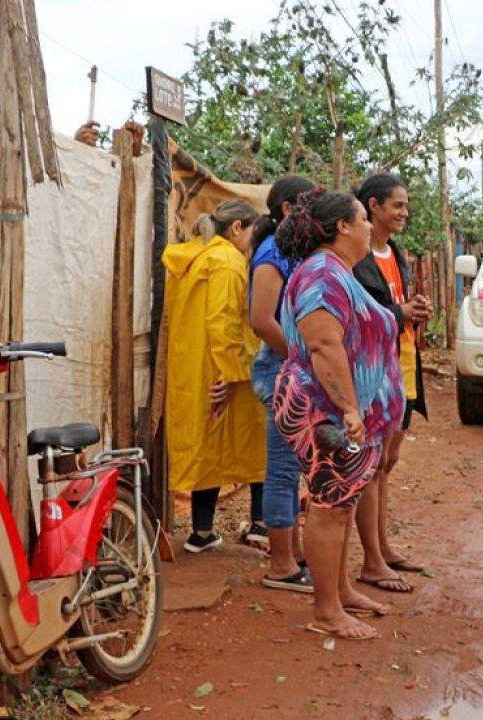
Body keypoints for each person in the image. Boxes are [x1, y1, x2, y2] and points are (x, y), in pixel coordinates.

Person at [273, 188, 405, 640]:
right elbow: (324, 344)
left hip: (344, 410)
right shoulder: (322, 274)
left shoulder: (338, 272)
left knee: (342, 502)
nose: (371, 226)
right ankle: (326, 610)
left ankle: (342, 588)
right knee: (330, 505)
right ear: (342, 227)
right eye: (362, 219)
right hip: (323, 409)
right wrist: (349, 407)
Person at [162, 200, 267, 553]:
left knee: (204, 447)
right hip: (221, 368)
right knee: (257, 444)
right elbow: (223, 322)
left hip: (192, 367)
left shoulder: (194, 257)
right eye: (252, 232)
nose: (254, 242)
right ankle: (261, 525)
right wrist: (233, 372)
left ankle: (202, 532)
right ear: (237, 227)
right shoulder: (226, 261)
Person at [351, 173, 431, 593]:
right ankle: (372, 559)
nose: (404, 213)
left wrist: (415, 311)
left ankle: (382, 547)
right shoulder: (357, 258)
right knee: (372, 466)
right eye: (397, 205)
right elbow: (368, 315)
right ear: (373, 206)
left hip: (402, 365)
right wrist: (403, 312)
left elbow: (395, 308)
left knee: (388, 463)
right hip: (374, 372)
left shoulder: (394, 253)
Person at [249, 174, 318, 592]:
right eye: (309, 207)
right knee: (282, 469)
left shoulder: (290, 250)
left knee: (290, 467)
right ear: (290, 210)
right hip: (280, 369)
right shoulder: (272, 252)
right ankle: (280, 565)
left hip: (289, 367)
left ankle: (291, 555)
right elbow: (260, 320)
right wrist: (299, 356)